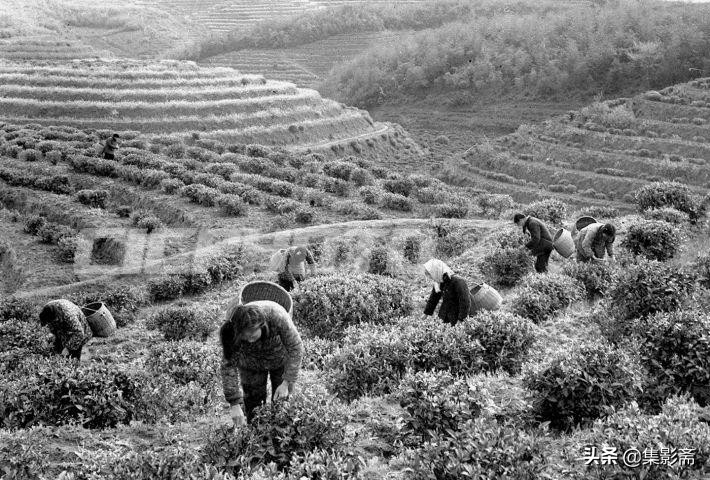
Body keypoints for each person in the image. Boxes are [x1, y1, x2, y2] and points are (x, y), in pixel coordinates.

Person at [220, 300, 304, 426]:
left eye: (252, 336)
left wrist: (286, 382)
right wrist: (234, 403)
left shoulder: (276, 315)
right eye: (245, 338)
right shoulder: (233, 328)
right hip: (250, 364)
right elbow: (228, 365)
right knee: (254, 408)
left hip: (279, 359)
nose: (250, 340)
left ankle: (281, 439)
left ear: (261, 325)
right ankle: (258, 438)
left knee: (283, 404)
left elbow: (296, 347)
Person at [422, 259, 471, 327]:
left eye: (431, 275)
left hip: (455, 317)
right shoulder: (439, 281)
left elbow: (465, 302)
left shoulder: (458, 281)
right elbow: (433, 298)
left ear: (436, 271)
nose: (431, 278)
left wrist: (460, 320)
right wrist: (426, 314)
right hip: (443, 315)